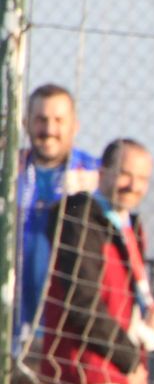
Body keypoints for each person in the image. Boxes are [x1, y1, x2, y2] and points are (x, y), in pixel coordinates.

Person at [37, 138, 154, 384]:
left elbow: (123, 303)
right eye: (124, 174)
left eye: (142, 179)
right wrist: (130, 360)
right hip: (89, 382)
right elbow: (83, 304)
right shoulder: (80, 218)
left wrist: (144, 334)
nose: (133, 185)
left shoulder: (128, 226)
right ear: (103, 172)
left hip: (118, 380)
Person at [12, 83, 99, 355]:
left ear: (75, 125)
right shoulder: (9, 172)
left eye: (59, 121)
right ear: (26, 124)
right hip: (14, 321)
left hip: (73, 325)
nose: (49, 130)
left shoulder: (94, 175)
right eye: (41, 120)